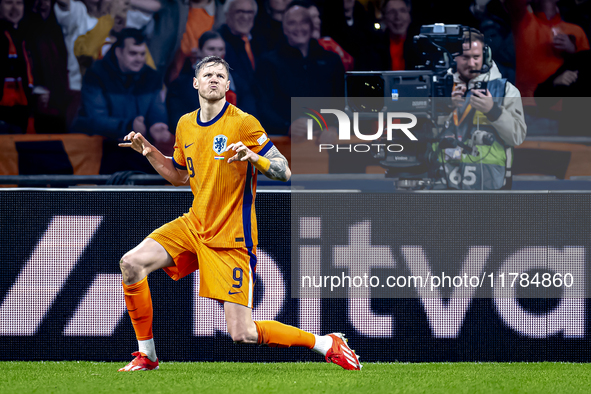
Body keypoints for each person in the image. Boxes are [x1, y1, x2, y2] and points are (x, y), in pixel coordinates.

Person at [116, 55, 362, 372]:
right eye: (208, 74)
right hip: (194, 225)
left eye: (220, 75)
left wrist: (253, 158)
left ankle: (326, 343)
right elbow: (179, 176)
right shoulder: (184, 124)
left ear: (228, 85)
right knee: (131, 263)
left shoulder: (242, 123)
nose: (214, 79)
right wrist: (150, 152)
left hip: (231, 237)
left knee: (242, 333)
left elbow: (284, 170)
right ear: (196, 83)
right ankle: (146, 355)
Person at [434, 29, 526, 190]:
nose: (471, 63)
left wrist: (493, 111)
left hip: (491, 184)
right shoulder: (438, 88)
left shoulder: (506, 90)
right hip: (443, 182)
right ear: (452, 57)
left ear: (486, 56)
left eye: (476, 57)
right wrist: (445, 109)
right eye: (465, 57)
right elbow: (422, 136)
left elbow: (517, 136)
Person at [72, 28, 173, 174]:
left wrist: (158, 124)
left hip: (138, 150)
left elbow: (156, 109)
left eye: (142, 54)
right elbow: (94, 118)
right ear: (118, 52)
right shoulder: (96, 73)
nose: (139, 58)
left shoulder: (151, 76)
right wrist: (128, 125)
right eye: (133, 53)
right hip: (101, 151)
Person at [255, 2, 345, 136]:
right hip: (285, 144)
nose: (298, 28)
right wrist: (286, 127)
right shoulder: (268, 62)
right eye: (292, 23)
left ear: (311, 26)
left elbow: (342, 102)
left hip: (327, 142)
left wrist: (335, 128)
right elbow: (262, 106)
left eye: (304, 22)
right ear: (284, 28)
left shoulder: (332, 60)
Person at [166, 30, 237, 130]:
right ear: (199, 51)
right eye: (211, 49)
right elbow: (178, 121)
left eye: (220, 49)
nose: (216, 54)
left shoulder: (237, 81)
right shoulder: (180, 85)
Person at [218, 0, 261, 117]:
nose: (245, 17)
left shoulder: (259, 42)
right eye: (239, 11)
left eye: (249, 12)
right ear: (227, 14)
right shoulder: (218, 44)